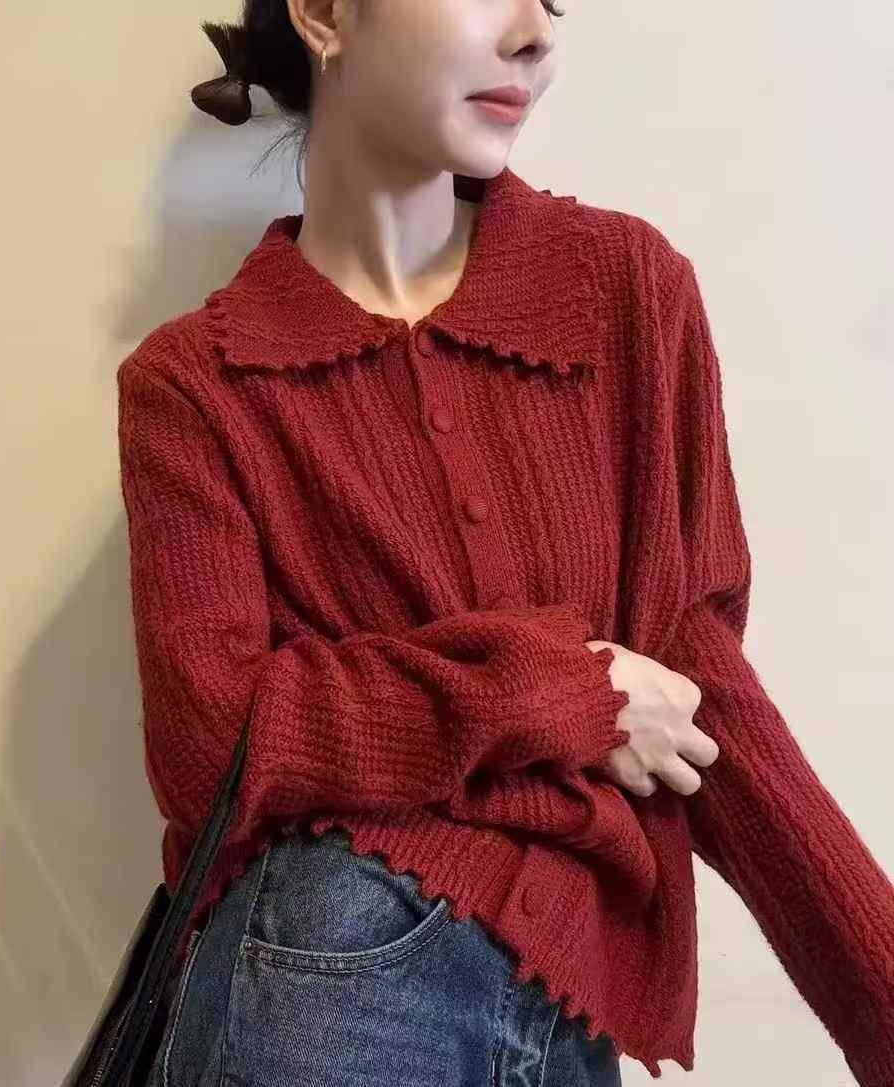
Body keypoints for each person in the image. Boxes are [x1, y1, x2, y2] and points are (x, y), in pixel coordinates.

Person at [115, 2, 894, 1084]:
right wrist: (557, 689)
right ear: (325, 12)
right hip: (328, 968)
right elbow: (210, 743)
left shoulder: (624, 290)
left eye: (552, 0)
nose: (536, 34)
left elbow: (693, 685)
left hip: (568, 995)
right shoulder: (198, 382)